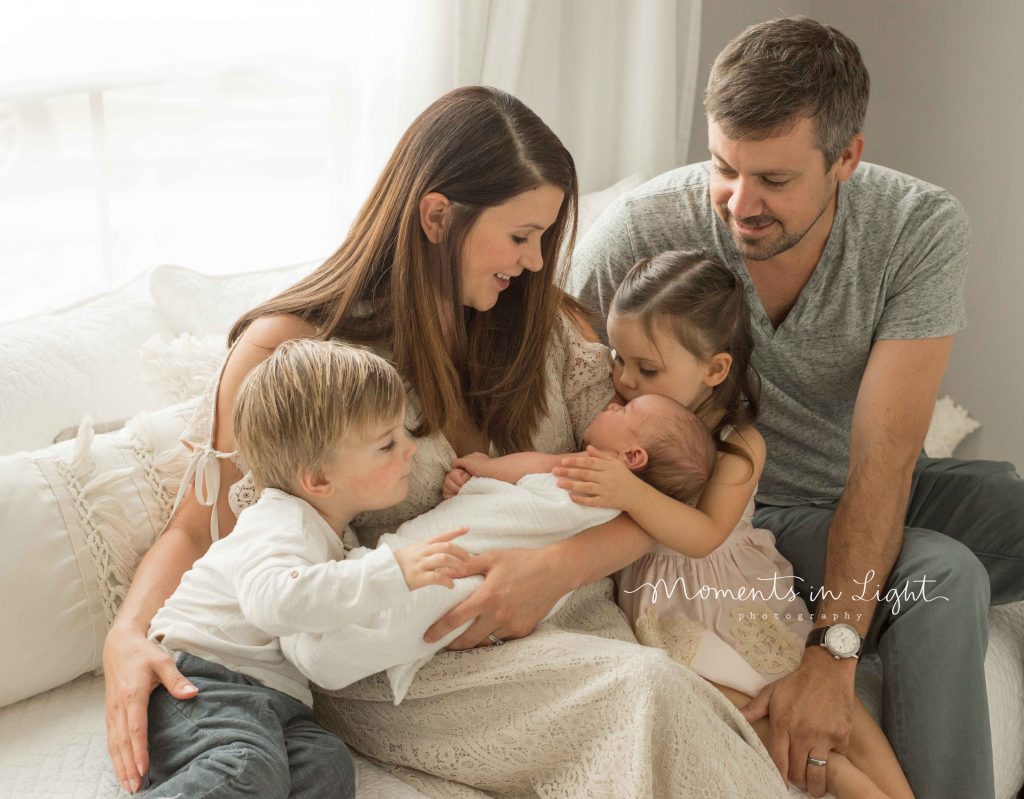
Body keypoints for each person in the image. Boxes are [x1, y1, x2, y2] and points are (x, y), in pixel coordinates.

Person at [102, 85, 788, 797]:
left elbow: (657, 487)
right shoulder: (300, 353)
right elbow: (198, 527)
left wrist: (556, 566)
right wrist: (126, 636)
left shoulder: (547, 329)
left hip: (569, 619)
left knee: (668, 691)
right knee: (650, 691)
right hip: (411, 653)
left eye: (545, 238)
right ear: (437, 216)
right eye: (521, 236)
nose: (534, 261)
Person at [570, 15, 1024, 799]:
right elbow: (560, 389)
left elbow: (883, 461)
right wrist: (833, 646)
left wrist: (832, 652)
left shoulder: (917, 228)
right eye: (722, 167)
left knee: (1008, 504)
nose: (739, 204)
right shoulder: (644, 231)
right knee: (944, 578)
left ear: (847, 156)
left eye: (774, 181)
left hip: (864, 485)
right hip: (745, 508)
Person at [557, 251, 913, 799]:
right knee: (751, 714)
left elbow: (703, 535)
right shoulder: (620, 420)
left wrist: (628, 489)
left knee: (840, 715)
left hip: (735, 591)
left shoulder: (738, 443)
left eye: (647, 368)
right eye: (617, 359)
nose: (624, 381)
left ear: (715, 369)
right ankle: (844, 784)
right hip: (668, 607)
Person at [144, 339, 476, 798]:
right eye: (387, 443)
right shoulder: (278, 521)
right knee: (244, 769)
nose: (410, 452)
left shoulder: (331, 533)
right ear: (318, 479)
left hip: (275, 702)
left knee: (326, 765)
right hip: (200, 681)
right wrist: (390, 573)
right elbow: (275, 602)